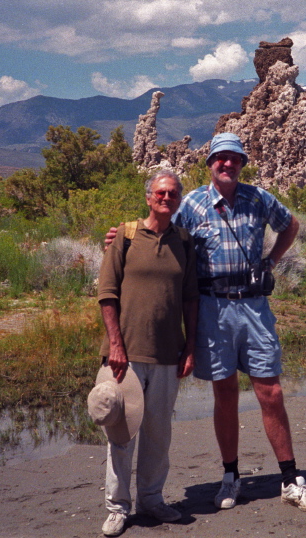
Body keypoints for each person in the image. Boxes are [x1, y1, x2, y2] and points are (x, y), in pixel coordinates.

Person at [109, 133, 306, 513]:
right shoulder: (191, 203)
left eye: (234, 159)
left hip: (255, 308)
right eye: (220, 159)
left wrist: (271, 261)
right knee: (224, 394)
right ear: (209, 164)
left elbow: (291, 224)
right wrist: (121, 236)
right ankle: (231, 476)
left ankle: (290, 479)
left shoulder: (258, 198)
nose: (227, 164)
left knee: (270, 392)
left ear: (242, 163)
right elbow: (160, 227)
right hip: (213, 309)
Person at [95, 169, 199, 537]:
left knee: (159, 433)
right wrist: (117, 345)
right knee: (122, 433)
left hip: (168, 355)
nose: (166, 198)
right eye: (160, 193)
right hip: (126, 356)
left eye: (172, 194)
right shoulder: (124, 236)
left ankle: (152, 500)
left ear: (179, 199)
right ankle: (117, 508)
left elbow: (190, 299)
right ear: (148, 197)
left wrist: (190, 346)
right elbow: (107, 294)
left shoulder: (184, 242)